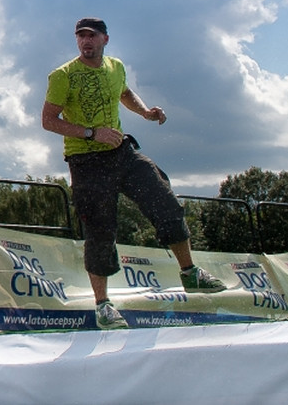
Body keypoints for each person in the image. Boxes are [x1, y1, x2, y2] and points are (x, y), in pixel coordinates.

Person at [42, 17, 226, 329]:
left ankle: (190, 274)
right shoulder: (63, 76)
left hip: (121, 154)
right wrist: (90, 133)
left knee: (164, 199)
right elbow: (48, 120)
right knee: (100, 231)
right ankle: (102, 305)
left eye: (92, 36)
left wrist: (144, 111)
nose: (86, 41)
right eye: (81, 36)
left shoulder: (116, 67)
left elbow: (124, 92)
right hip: (86, 162)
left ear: (105, 40)